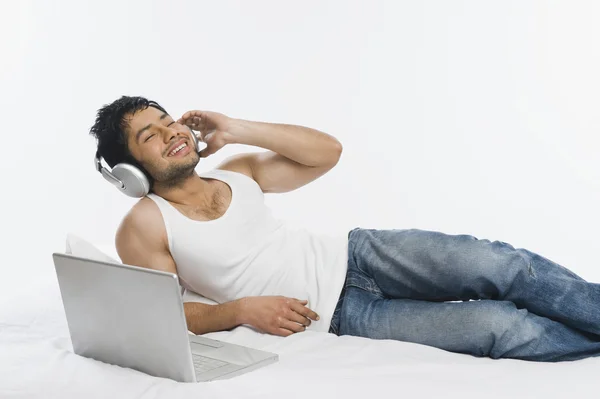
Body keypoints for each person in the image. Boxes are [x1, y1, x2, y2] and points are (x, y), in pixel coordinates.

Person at [90, 95, 600, 362]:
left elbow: (326, 153)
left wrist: (236, 128)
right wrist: (239, 310)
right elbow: (163, 316)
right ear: (131, 171)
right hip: (340, 315)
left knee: (501, 264)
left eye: (167, 120)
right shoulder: (143, 224)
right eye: (149, 136)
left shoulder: (239, 170)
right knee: (499, 328)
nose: (171, 133)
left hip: (361, 254)